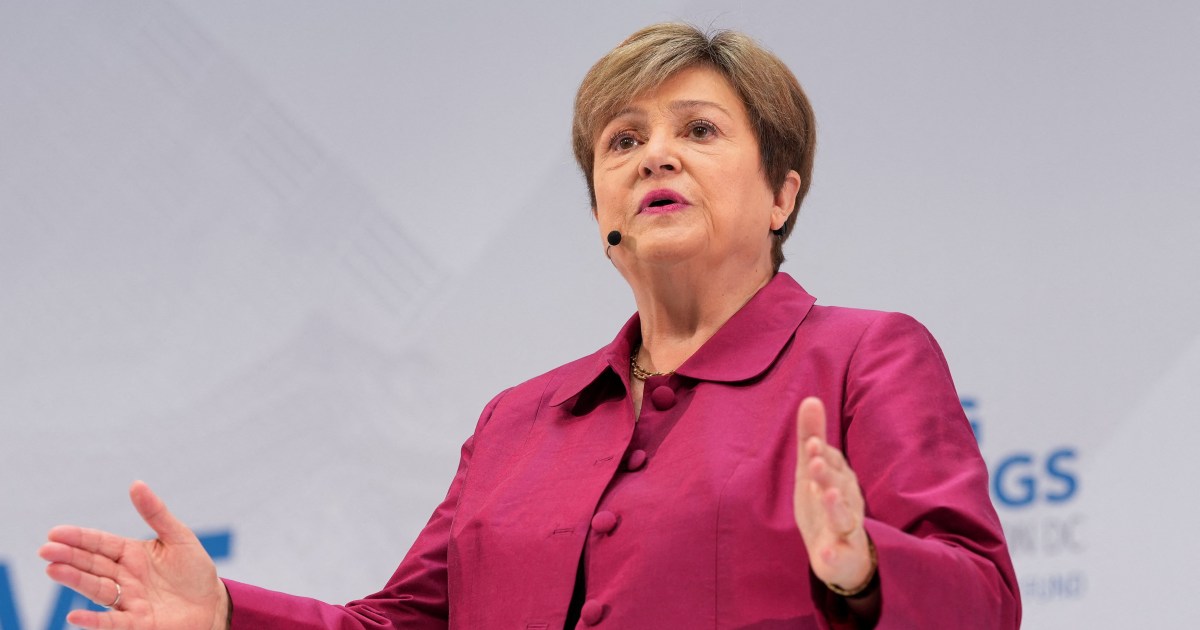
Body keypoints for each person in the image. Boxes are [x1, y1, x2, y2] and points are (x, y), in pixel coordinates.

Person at [39, 22, 1020, 629]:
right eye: (623, 141)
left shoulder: (864, 356)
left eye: (699, 130)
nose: (654, 157)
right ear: (600, 210)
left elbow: (985, 601)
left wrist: (861, 573)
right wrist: (225, 614)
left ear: (782, 192)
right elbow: (400, 627)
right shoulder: (517, 422)